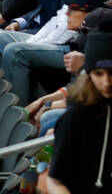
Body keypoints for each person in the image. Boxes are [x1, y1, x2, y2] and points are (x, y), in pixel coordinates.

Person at [48, 30, 112, 192]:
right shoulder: (75, 117)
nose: (106, 82)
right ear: (88, 75)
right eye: (99, 74)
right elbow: (55, 181)